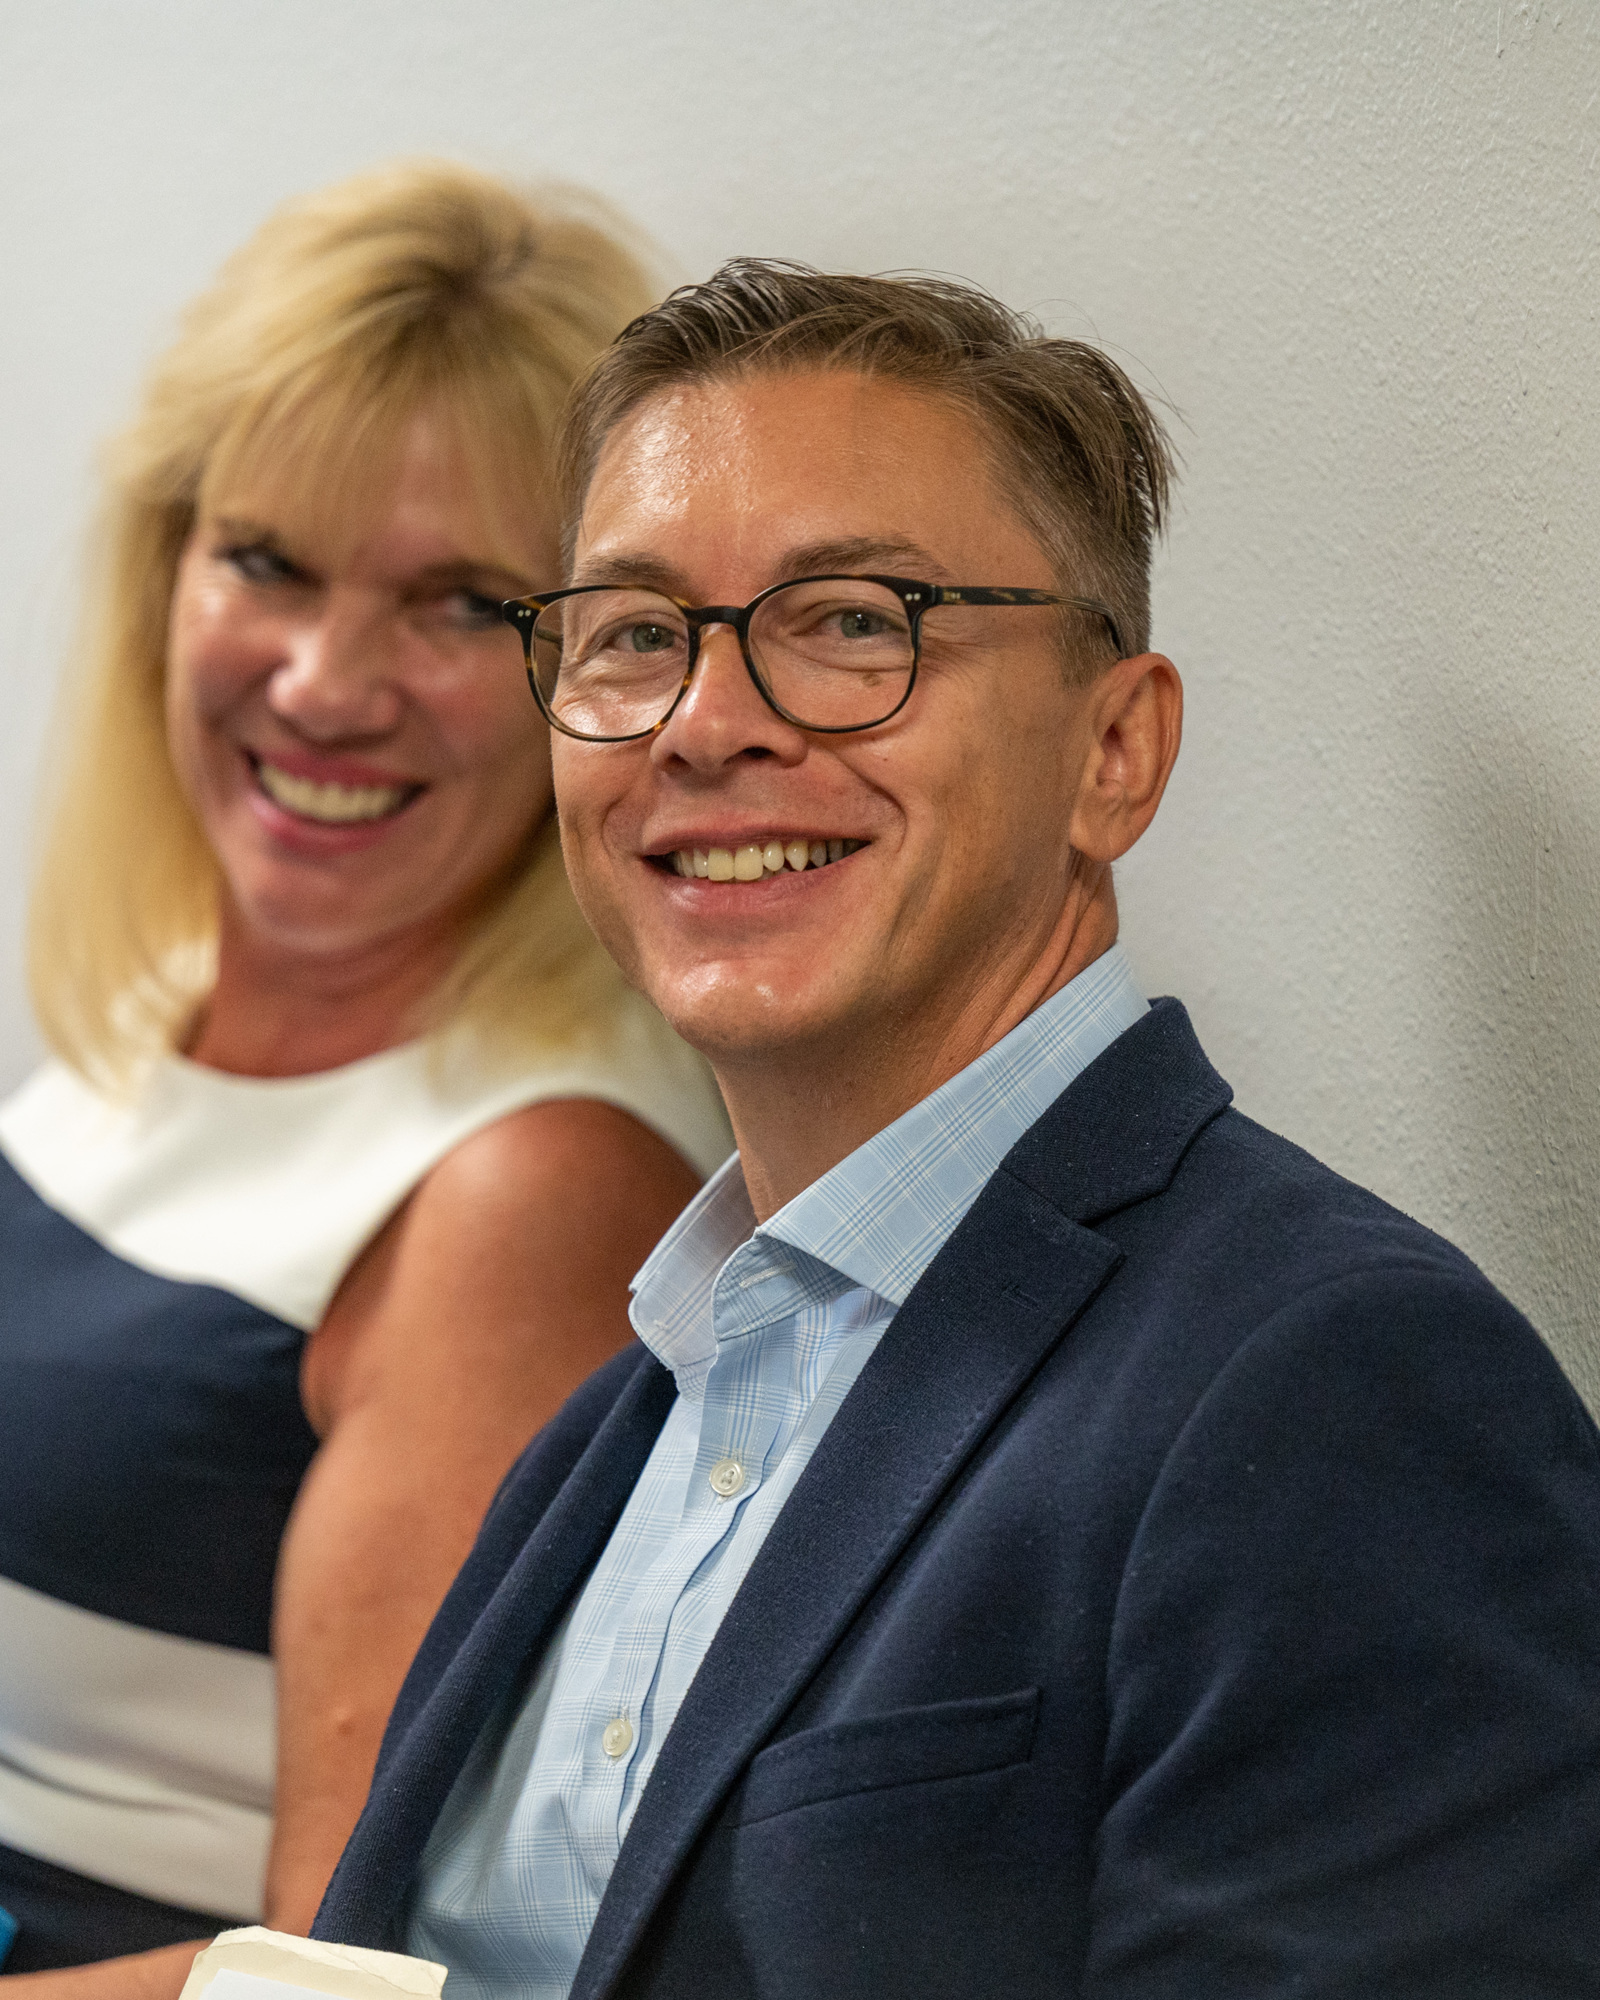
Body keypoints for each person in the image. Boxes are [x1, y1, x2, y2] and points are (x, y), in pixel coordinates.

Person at [314, 262, 1600, 1995]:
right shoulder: (616, 1433)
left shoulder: (1340, 1383)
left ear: (1115, 754)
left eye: (853, 622)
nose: (706, 724)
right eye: (632, 636)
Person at [0, 166, 731, 1989]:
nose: (326, 686)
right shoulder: (161, 996)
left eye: (462, 607)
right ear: (164, 567)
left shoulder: (522, 1189)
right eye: (269, 560)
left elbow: (336, 1978)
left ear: (600, 664)